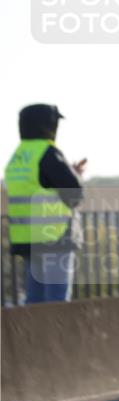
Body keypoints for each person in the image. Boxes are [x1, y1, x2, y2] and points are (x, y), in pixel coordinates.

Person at [4, 104, 85, 304]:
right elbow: (75, 194)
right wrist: (74, 174)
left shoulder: (17, 157)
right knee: (57, 302)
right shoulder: (48, 153)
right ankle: (56, 337)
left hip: (28, 238)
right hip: (54, 237)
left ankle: (32, 336)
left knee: (35, 300)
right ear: (49, 125)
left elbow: (38, 183)